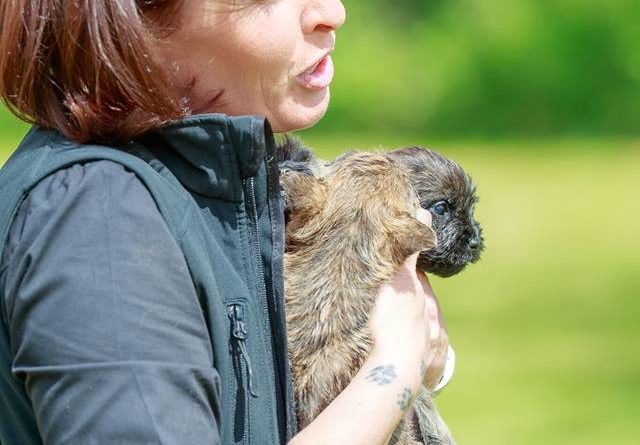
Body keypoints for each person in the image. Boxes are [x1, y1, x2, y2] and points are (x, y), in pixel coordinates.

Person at [0, 1, 452, 444]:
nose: (331, 11)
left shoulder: (205, 178)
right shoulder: (99, 221)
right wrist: (393, 371)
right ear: (139, 18)